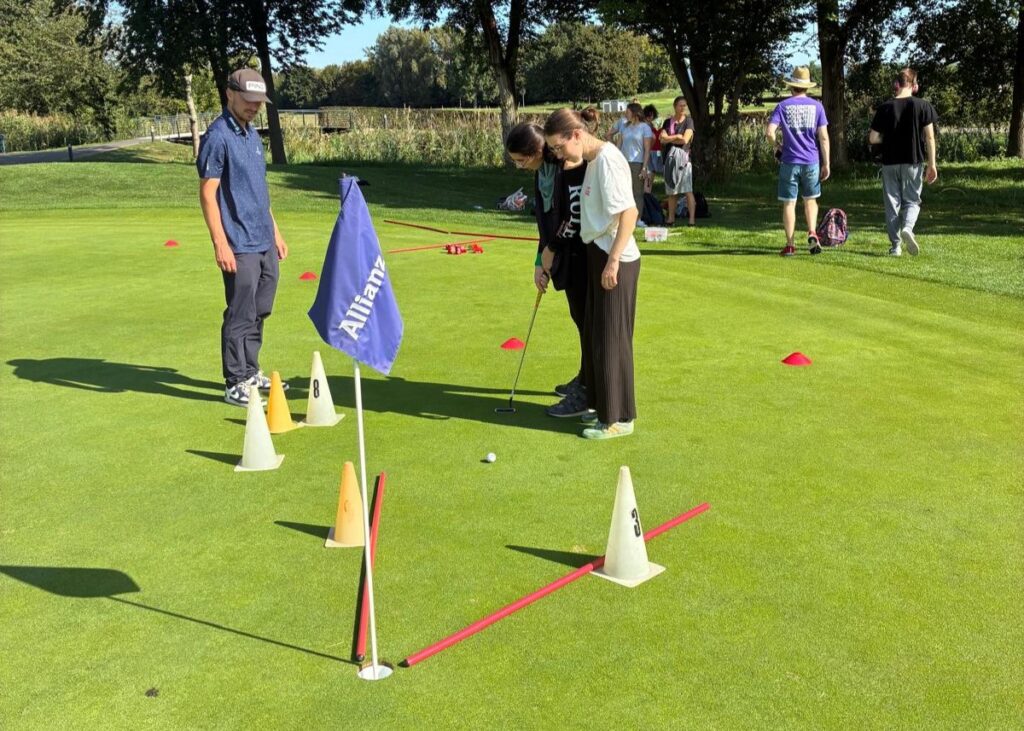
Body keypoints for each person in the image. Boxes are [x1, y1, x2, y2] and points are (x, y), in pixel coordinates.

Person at [544, 108, 641, 440]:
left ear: (576, 135)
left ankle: (619, 418)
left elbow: (629, 213)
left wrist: (612, 261)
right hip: (598, 253)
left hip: (615, 257)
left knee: (612, 340)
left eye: (559, 147)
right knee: (598, 337)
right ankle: (603, 410)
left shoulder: (608, 160)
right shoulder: (593, 161)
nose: (558, 155)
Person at [197, 68, 289, 407]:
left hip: (263, 239)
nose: (254, 106)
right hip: (238, 242)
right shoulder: (217, 136)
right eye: (249, 100)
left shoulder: (251, 135)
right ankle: (235, 381)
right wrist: (220, 242)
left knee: (261, 308)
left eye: (258, 102)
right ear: (230, 94)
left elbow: (258, 191)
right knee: (240, 311)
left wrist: (275, 231)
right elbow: (208, 194)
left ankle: (250, 371)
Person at [506, 120, 591, 418]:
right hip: (560, 251)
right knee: (579, 319)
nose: (519, 166)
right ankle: (585, 377)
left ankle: (588, 390)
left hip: (581, 254)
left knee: (587, 322)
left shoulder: (566, 166)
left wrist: (552, 250)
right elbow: (545, 220)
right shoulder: (541, 172)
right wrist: (538, 261)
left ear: (535, 151)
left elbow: (572, 215)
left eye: (520, 160)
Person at [869, 67, 939, 257]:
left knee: (892, 204)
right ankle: (908, 227)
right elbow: (930, 137)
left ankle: (895, 247)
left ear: (896, 84)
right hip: (913, 161)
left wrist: (888, 138)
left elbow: (873, 138)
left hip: (889, 162)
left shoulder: (885, 107)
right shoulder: (923, 106)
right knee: (912, 201)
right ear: (914, 85)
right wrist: (932, 164)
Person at [766, 66, 831, 256]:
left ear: (791, 86)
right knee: (810, 199)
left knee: (789, 203)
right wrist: (826, 163)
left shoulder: (783, 106)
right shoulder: (817, 107)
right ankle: (812, 232)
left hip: (789, 161)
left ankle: (790, 245)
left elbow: (769, 132)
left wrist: (777, 146)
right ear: (807, 87)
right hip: (811, 161)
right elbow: (823, 137)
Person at [615, 103, 654, 227]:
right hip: (623, 163)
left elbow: (647, 150)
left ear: (635, 113)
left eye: (627, 112)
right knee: (624, 192)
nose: (625, 114)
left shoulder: (644, 128)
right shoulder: (624, 127)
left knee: (637, 192)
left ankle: (637, 219)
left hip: (638, 164)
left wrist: (644, 168)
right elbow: (618, 145)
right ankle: (624, 219)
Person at [660, 96, 696, 227]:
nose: (683, 108)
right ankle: (671, 219)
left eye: (684, 105)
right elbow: (661, 139)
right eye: (680, 105)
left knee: (687, 190)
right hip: (670, 161)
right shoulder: (667, 122)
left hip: (684, 162)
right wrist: (676, 136)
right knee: (671, 191)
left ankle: (691, 221)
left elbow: (685, 140)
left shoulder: (689, 121)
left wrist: (669, 138)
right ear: (675, 106)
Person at [643, 104, 663, 175]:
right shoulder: (644, 126)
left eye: (652, 115)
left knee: (652, 170)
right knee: (651, 169)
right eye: (649, 115)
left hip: (654, 149)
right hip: (650, 149)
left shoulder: (651, 125)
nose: (651, 117)